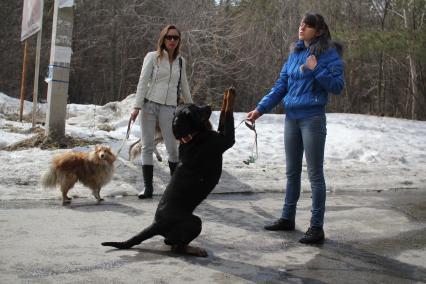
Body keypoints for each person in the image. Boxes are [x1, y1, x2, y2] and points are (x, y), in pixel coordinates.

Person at [247, 13, 344, 244]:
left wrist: (316, 69)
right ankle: (287, 218)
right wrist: (260, 109)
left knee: (315, 175)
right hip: (291, 119)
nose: (301, 27)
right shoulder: (295, 53)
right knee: (291, 172)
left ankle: (316, 227)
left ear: (318, 31)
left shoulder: (329, 54)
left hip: (313, 119)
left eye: (307, 25)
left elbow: (338, 87)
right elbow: (281, 86)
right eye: (301, 24)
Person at [131, 25, 193, 199]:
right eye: (169, 37)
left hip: (169, 107)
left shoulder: (181, 61)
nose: (172, 41)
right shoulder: (152, 57)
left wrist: (191, 108)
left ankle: (175, 188)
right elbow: (142, 82)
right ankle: (148, 188)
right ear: (163, 39)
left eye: (175, 38)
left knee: (172, 147)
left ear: (179, 41)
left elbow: (185, 85)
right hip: (149, 105)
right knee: (147, 145)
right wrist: (136, 106)